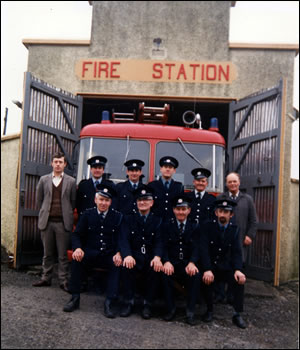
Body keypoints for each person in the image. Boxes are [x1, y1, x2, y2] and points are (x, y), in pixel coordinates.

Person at [63, 184, 123, 318]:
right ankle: (75, 298)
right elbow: (77, 234)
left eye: (106, 200)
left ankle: (109, 302)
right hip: (90, 252)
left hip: (109, 254)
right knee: (77, 260)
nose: (103, 203)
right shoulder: (87, 214)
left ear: (110, 202)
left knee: (117, 264)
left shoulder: (117, 217)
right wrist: (78, 248)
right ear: (95, 200)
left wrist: (119, 253)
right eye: (101, 199)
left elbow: (121, 238)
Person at [200, 197, 247, 329]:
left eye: (226, 212)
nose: (223, 214)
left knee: (239, 279)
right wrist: (207, 268)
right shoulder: (207, 227)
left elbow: (237, 252)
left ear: (231, 214)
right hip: (212, 266)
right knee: (206, 278)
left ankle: (237, 314)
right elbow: (204, 250)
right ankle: (209, 310)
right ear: (216, 213)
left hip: (226, 267)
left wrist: (238, 269)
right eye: (220, 211)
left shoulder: (235, 230)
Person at [32, 152, 76, 292]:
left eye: (60, 162)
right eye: (55, 161)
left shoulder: (71, 181)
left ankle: (63, 280)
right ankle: (46, 278)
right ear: (52, 163)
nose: (58, 164)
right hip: (47, 222)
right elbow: (39, 200)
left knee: (63, 254)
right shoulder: (44, 180)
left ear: (64, 164)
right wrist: (46, 212)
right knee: (47, 253)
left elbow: (73, 201)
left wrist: (66, 214)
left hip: (63, 223)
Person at [119, 185, 163, 319]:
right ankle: (128, 303)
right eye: (139, 200)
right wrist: (127, 255)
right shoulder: (128, 219)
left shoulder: (158, 221)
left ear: (152, 202)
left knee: (155, 269)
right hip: (134, 255)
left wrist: (157, 257)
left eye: (146, 200)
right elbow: (123, 239)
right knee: (126, 266)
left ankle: (147, 304)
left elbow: (160, 241)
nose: (142, 202)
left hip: (150, 257)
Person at [161, 195, 201, 326]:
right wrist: (166, 261)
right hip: (172, 263)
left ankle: (190, 311)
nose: (181, 212)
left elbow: (196, 247)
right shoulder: (167, 225)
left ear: (189, 210)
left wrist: (192, 262)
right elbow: (163, 246)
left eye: (184, 209)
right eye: (178, 209)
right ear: (174, 210)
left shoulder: (194, 226)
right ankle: (170, 309)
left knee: (195, 275)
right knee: (164, 274)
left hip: (187, 263)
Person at [217, 172, 257, 264]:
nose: (232, 184)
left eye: (234, 181)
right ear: (226, 184)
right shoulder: (220, 198)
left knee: (239, 264)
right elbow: (215, 218)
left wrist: (250, 236)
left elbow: (253, 220)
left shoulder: (247, 199)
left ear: (239, 182)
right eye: (230, 182)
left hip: (240, 238)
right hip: (223, 238)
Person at [148, 156, 184, 220]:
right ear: (161, 169)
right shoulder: (152, 185)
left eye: (170, 167)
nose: (168, 169)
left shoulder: (179, 187)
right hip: (155, 223)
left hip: (172, 223)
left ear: (174, 170)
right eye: (165, 167)